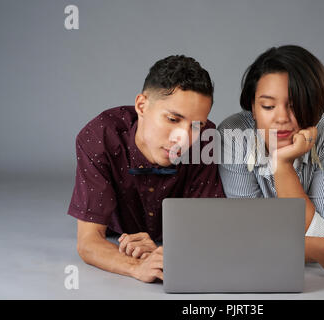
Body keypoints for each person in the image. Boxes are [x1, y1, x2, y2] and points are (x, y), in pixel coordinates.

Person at [67, 55, 225, 283]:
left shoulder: (206, 141)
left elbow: (208, 230)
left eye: (195, 126)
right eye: (172, 119)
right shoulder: (99, 136)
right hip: (118, 233)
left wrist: (171, 250)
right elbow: (88, 242)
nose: (183, 138)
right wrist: (137, 267)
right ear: (141, 105)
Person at [218, 45, 324, 279]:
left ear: (314, 104)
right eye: (268, 106)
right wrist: (314, 250)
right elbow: (247, 230)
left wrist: (282, 165)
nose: (281, 118)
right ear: (252, 106)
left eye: (294, 105)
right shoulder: (233, 132)